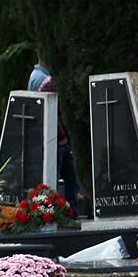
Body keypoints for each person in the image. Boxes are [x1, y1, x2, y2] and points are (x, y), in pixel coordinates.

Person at [37, 74, 82, 218]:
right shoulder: (50, 85)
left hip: (63, 143)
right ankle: (56, 214)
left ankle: (71, 212)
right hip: (56, 143)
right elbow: (51, 114)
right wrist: (63, 137)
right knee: (54, 180)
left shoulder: (55, 82)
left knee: (72, 178)